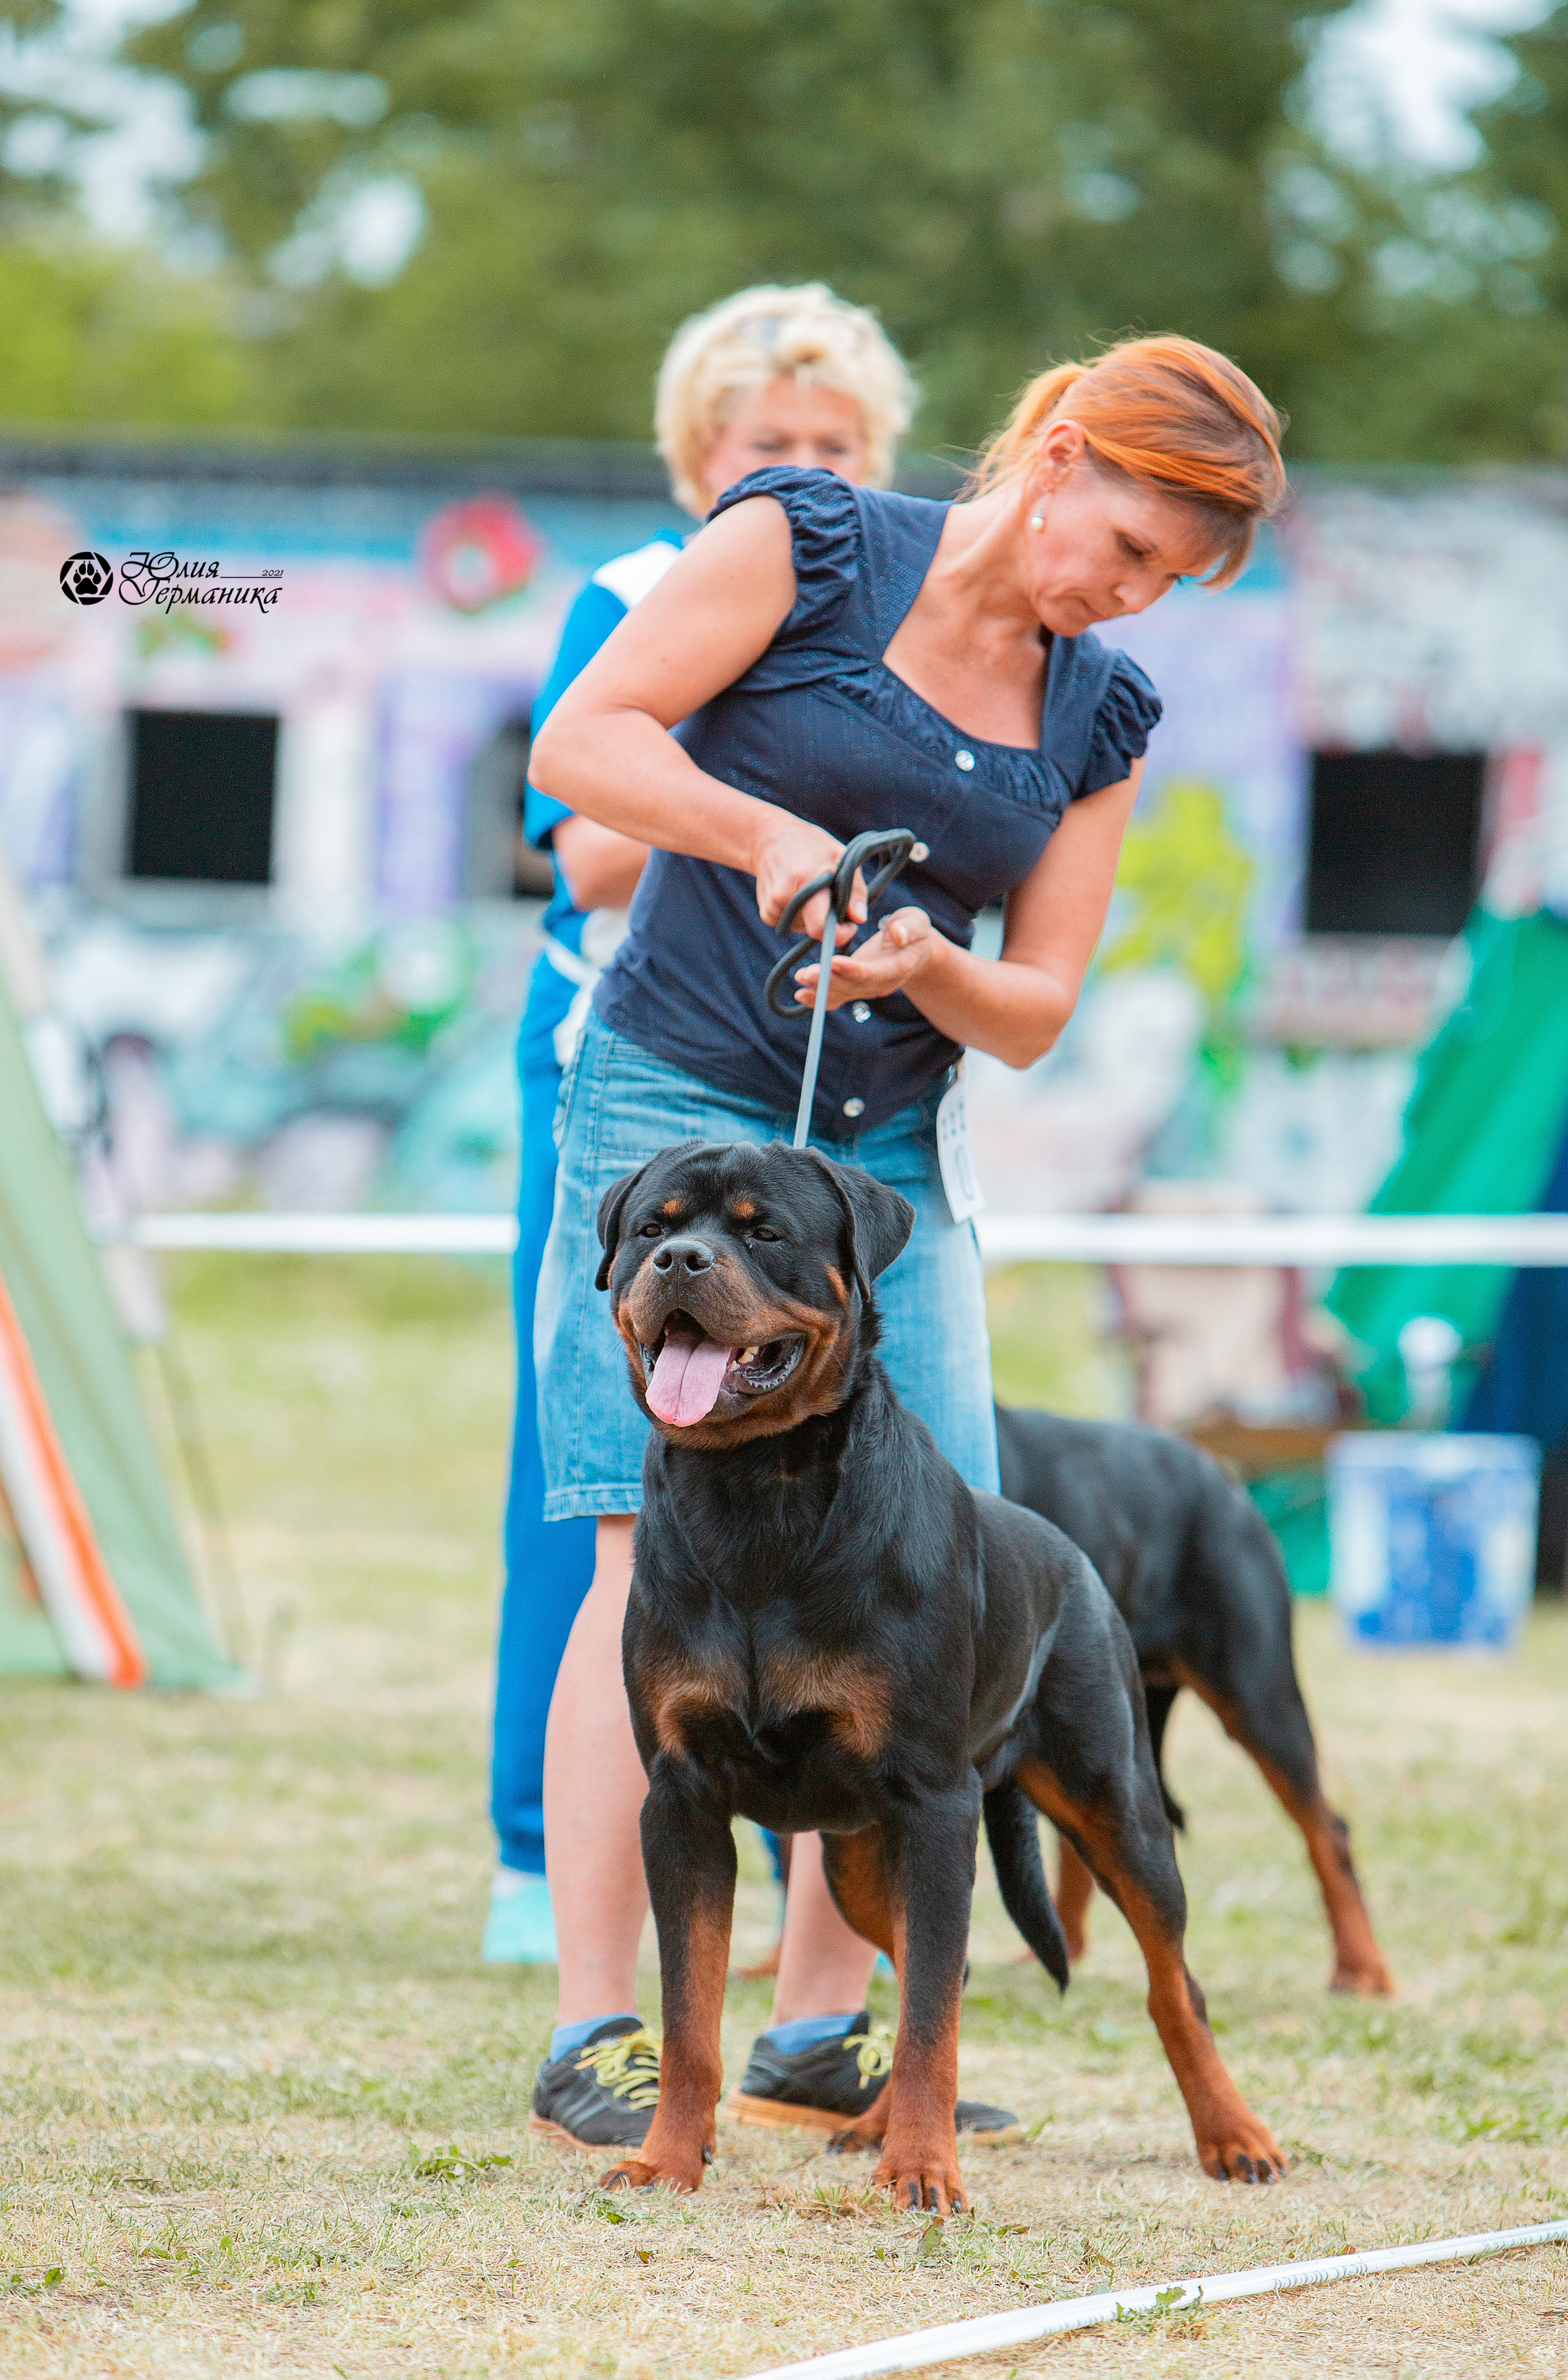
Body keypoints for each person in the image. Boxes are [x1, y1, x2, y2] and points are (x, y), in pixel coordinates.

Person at [524, 334, 1288, 2151]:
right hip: (670, 1102)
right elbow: (585, 744)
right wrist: (760, 831)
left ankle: (816, 2028)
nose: (1125, 595)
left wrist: (936, 965)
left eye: (1167, 581)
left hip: (886, 1157)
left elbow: (1035, 1006)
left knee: (918, 1563)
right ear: (1067, 449)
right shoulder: (803, 542)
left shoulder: (1099, 715)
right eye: (1127, 544)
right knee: (642, 1537)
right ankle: (595, 2030)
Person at [484, 283, 919, 1965]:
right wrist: (754, 801)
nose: (802, 476)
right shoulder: (639, 596)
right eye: (767, 449)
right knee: (600, 1468)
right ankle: (540, 1860)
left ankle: (817, 1914)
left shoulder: (899, 623)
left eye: (835, 449)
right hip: (626, 1062)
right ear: (698, 464)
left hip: (829, 1086)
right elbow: (584, 847)